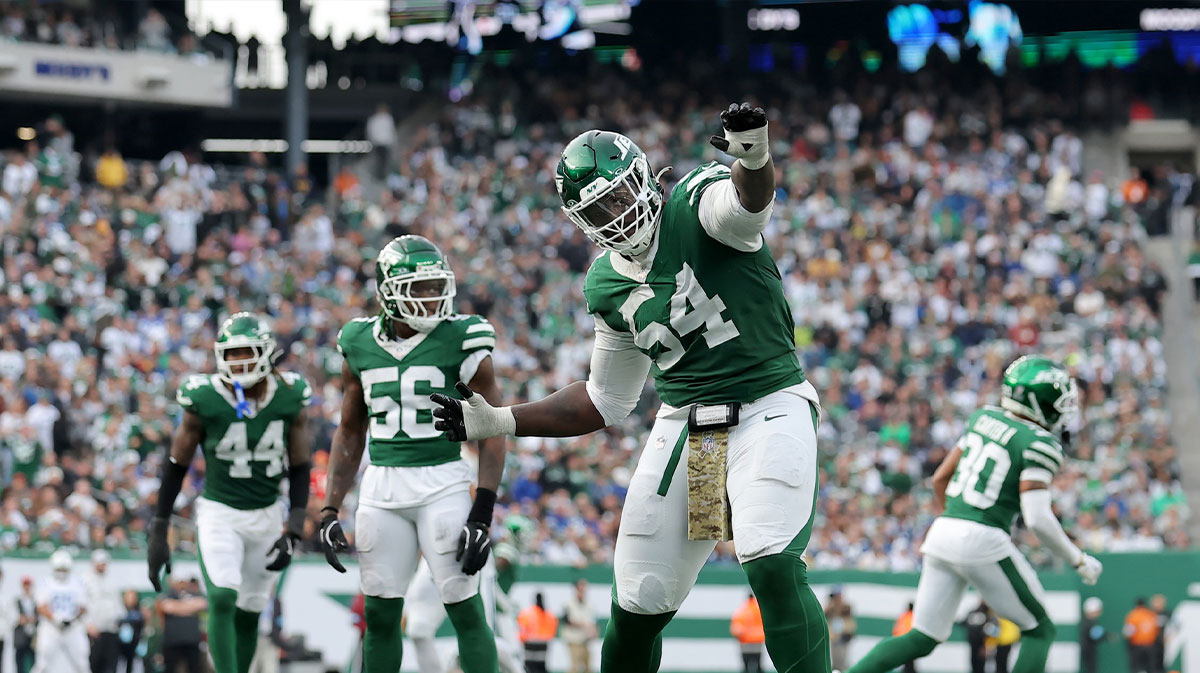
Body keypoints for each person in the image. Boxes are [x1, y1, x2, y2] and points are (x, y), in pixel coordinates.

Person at [431, 103, 831, 673]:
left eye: (619, 194)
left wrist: (754, 156)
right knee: (641, 599)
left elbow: (748, 208)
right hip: (697, 430)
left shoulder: (695, 202)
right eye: (599, 208)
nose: (617, 214)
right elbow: (604, 399)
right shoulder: (606, 281)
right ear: (580, 220)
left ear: (644, 177)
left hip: (768, 402)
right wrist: (502, 419)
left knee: (768, 556)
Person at [317, 235, 506, 673]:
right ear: (387, 293)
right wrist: (330, 507)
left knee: (465, 609)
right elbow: (349, 429)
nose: (431, 297)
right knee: (380, 616)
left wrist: (482, 511)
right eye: (418, 288)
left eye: (435, 285)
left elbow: (493, 427)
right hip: (381, 487)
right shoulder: (357, 342)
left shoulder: (463, 336)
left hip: (443, 482)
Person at [847, 356, 1104, 673]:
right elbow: (1037, 519)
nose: (1063, 411)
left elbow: (940, 478)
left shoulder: (983, 418)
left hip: (944, 530)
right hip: (982, 535)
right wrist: (1077, 558)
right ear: (1040, 401)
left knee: (922, 636)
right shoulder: (1039, 443)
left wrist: (957, 520)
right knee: (1040, 630)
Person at [147, 312, 314, 673]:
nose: (238, 361)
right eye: (232, 353)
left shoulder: (289, 395)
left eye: (247, 352)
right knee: (222, 596)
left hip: (268, 514)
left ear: (267, 353)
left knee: (250, 611)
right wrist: (159, 526)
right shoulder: (204, 397)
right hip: (220, 511)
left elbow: (301, 465)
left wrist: (295, 525)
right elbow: (176, 464)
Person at [32, 550, 89, 673]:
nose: (62, 573)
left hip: (72, 627)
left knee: (82, 664)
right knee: (42, 664)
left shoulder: (78, 583)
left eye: (64, 570)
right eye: (59, 569)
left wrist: (71, 620)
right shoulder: (45, 583)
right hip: (51, 627)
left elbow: (83, 607)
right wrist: (56, 619)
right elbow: (41, 606)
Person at [84, 549, 123, 673]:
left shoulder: (112, 580)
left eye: (104, 563)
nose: (102, 566)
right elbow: (82, 605)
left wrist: (120, 621)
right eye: (99, 563)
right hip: (94, 631)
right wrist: (87, 625)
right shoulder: (85, 580)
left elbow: (118, 603)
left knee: (111, 665)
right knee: (93, 665)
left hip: (111, 629)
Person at [159, 575, 206, 673]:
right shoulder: (168, 594)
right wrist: (190, 608)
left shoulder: (196, 593)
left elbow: (202, 604)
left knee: (195, 669)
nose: (182, 584)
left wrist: (177, 607)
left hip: (192, 641)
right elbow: (167, 607)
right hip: (172, 642)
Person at [560, 579, 597, 673]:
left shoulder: (589, 604)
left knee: (588, 667)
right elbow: (566, 620)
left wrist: (593, 631)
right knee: (575, 667)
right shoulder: (568, 603)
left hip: (585, 640)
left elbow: (592, 621)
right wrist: (583, 624)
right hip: (574, 640)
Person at [517, 593, 558, 673]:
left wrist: (523, 640)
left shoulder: (527, 613)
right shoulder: (549, 614)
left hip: (529, 645)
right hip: (543, 645)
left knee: (529, 667)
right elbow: (553, 630)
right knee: (541, 667)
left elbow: (522, 629)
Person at [730, 593, 765, 673]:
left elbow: (735, 629)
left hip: (745, 644)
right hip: (757, 643)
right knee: (759, 666)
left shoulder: (741, 611)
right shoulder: (759, 611)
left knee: (746, 667)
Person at [824, 588, 856, 672]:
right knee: (835, 661)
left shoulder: (845, 607)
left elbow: (846, 611)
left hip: (844, 636)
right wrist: (831, 603)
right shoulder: (831, 608)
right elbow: (825, 613)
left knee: (842, 661)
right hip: (835, 637)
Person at [1125, 597, 1158, 673]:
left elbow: (1129, 632)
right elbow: (1156, 630)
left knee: (1137, 668)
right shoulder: (1151, 614)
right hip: (1150, 645)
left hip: (1137, 646)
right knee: (1150, 668)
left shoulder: (1133, 615)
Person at [116, 590, 145, 673]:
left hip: (135, 648)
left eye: (133, 597)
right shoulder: (119, 611)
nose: (131, 600)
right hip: (121, 649)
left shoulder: (139, 612)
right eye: (128, 597)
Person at [15, 576, 38, 673]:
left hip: (33, 635)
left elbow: (39, 616)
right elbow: (14, 616)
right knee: (20, 661)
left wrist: (34, 619)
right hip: (21, 635)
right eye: (25, 585)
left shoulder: (36, 599)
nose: (27, 587)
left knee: (34, 661)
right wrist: (20, 619)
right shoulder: (18, 600)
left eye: (28, 585)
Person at [1079, 597, 1105, 673]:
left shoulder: (1089, 622)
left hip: (1088, 649)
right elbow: (1095, 635)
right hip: (1088, 650)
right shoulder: (1089, 623)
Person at [891, 603, 916, 673]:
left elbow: (895, 630)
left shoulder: (903, 616)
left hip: (902, 642)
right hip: (910, 643)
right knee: (909, 662)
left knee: (907, 661)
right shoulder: (913, 617)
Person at [1150, 594, 1170, 673]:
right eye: (1156, 602)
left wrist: (1169, 636)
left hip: (1161, 642)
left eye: (1160, 602)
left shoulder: (1167, 614)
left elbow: (1175, 626)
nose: (1158, 605)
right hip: (1150, 643)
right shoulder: (1149, 614)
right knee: (1151, 663)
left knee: (1160, 663)